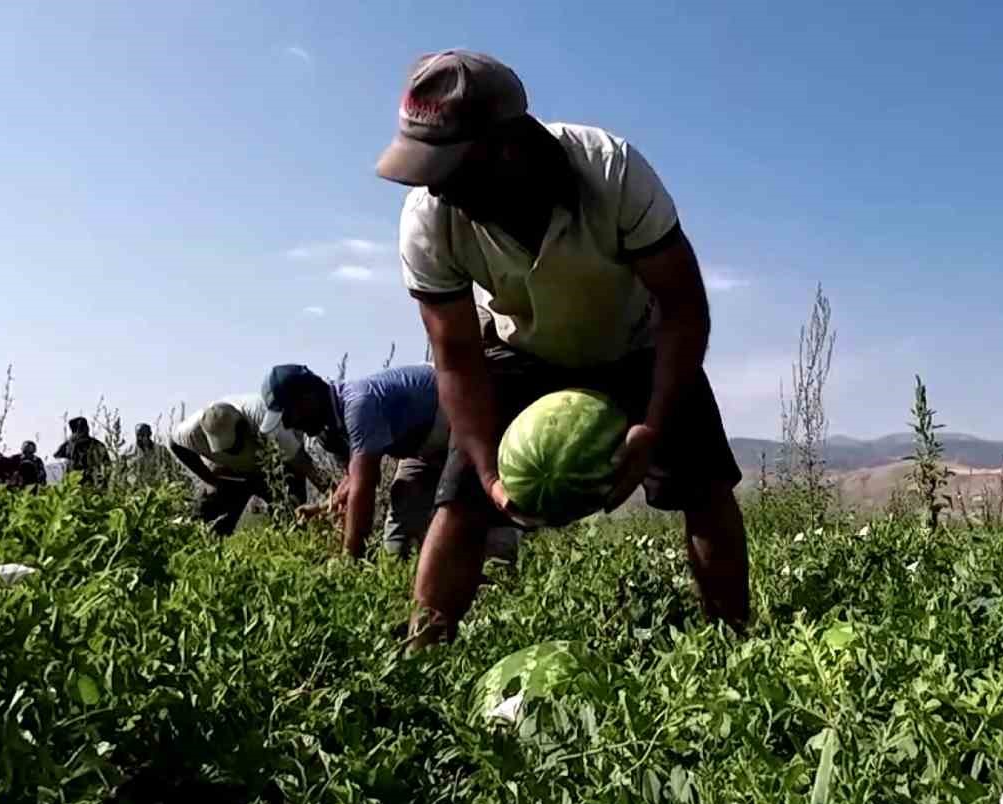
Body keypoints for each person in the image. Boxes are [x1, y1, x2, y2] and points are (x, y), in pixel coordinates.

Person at [374, 49, 751, 647]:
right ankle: (420, 656)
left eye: (450, 168)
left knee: (704, 487)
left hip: (638, 342)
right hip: (519, 349)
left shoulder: (611, 170)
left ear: (505, 145)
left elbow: (684, 310)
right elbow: (455, 356)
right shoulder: (429, 217)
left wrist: (652, 426)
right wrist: (490, 471)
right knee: (462, 499)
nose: (438, 190)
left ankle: (739, 647)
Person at [259, 362, 521, 561]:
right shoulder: (332, 427)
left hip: (461, 419)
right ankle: (395, 580)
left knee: (479, 512)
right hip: (424, 448)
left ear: (308, 397)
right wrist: (322, 507)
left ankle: (501, 580)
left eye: (290, 414)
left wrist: (350, 559)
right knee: (402, 508)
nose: (291, 424)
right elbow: (352, 480)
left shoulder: (359, 405)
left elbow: (364, 487)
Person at [168, 394, 332, 536]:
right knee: (202, 521)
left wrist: (335, 496)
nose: (234, 451)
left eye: (236, 445)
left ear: (243, 428)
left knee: (292, 517)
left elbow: (303, 462)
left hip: (277, 467)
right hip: (232, 472)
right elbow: (175, 445)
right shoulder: (191, 431)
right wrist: (210, 479)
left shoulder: (266, 420)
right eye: (228, 449)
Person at [54, 417, 110, 487]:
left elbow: (107, 464)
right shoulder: (70, 444)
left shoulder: (96, 444)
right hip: (75, 481)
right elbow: (57, 455)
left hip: (91, 480)